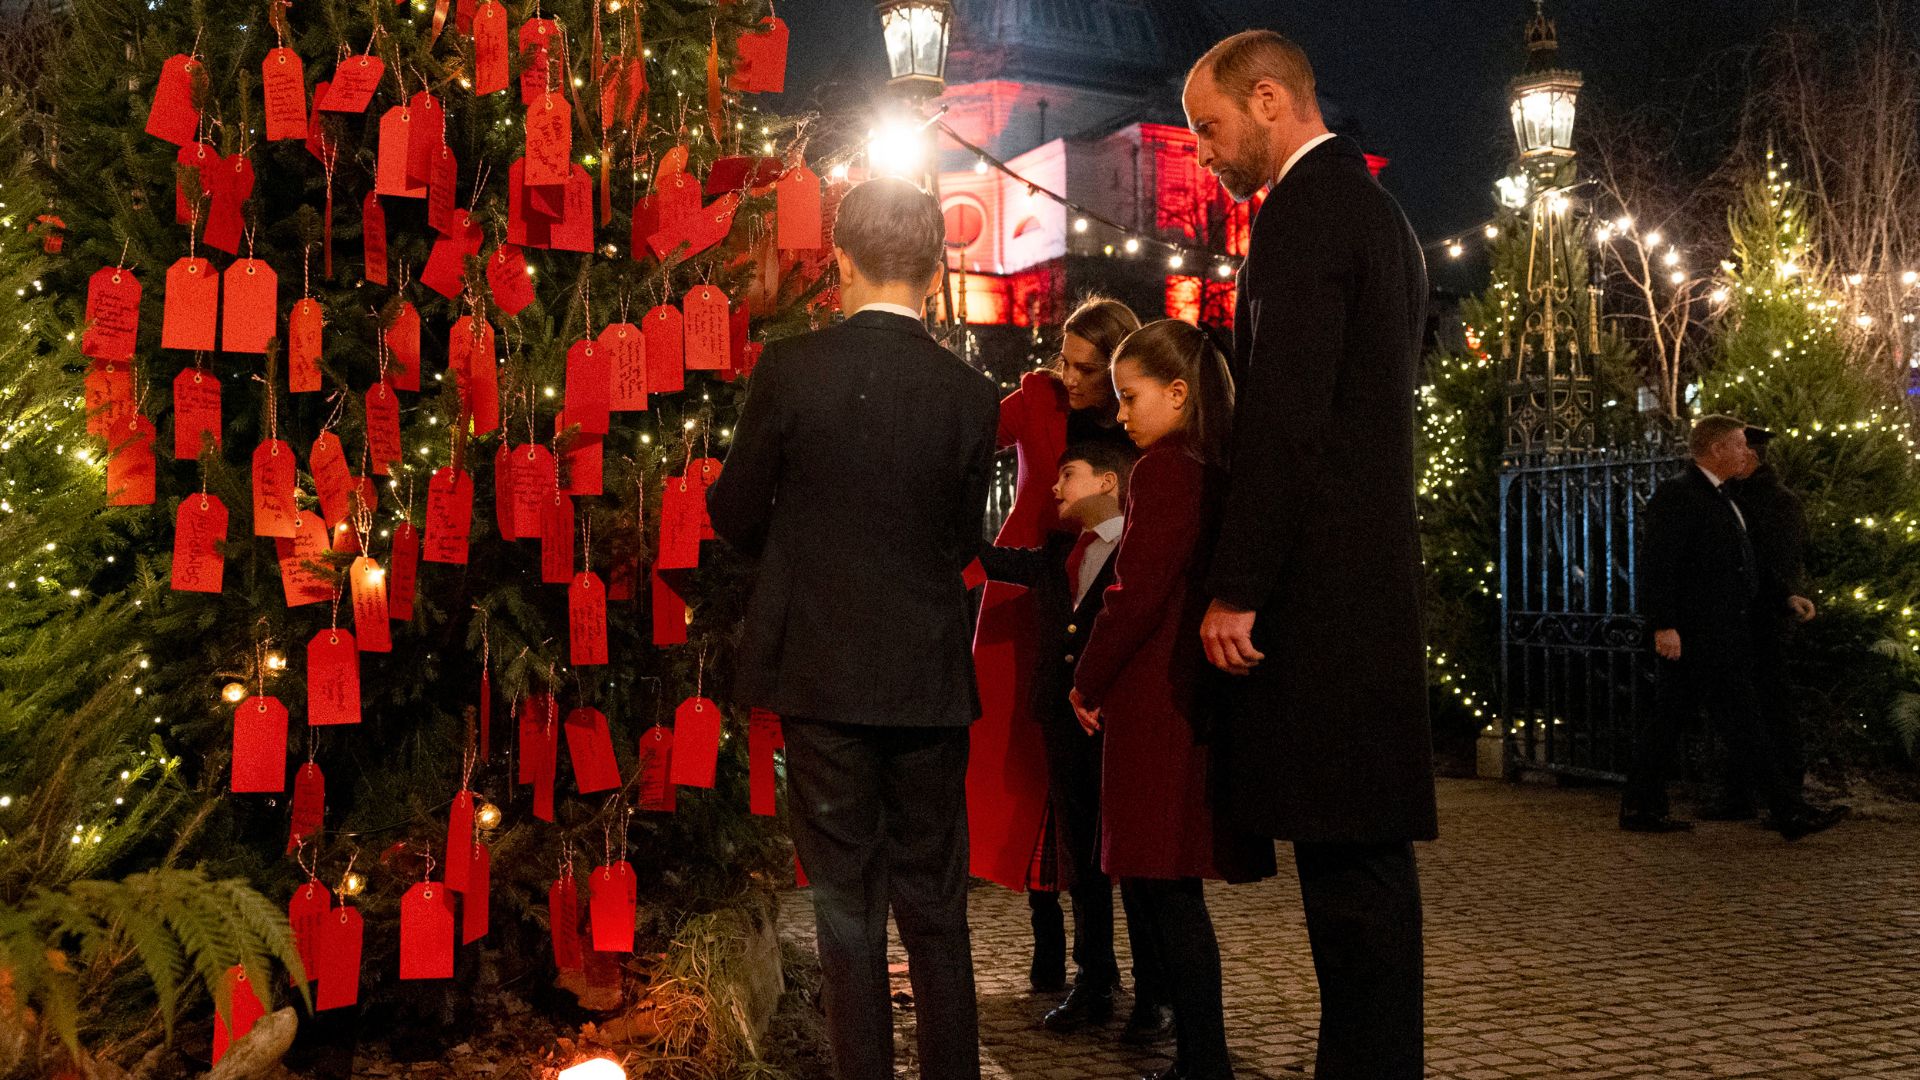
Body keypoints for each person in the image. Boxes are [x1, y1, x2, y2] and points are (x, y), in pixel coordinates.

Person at [1183, 30, 1437, 1080]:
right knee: (1360, 874)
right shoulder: (1377, 214)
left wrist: (1238, 589)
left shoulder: (1302, 214)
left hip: (1326, 600)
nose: (1204, 153)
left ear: (1271, 98)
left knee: (1352, 880)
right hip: (1366, 580)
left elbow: (1287, 419)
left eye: (1210, 126)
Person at [705, 176, 999, 1080]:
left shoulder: (792, 370)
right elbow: (960, 542)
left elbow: (735, 513)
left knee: (844, 903)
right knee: (936, 902)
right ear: (936, 263)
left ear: (838, 260)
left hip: (823, 669)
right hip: (925, 673)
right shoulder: (971, 392)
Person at [1069, 319, 1276, 1080]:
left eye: (1130, 397)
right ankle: (1200, 1054)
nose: (1119, 414)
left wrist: (1086, 676)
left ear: (1179, 393)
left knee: (1165, 890)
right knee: (1168, 886)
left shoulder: (1163, 470)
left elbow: (1135, 591)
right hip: (1186, 698)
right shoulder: (1214, 466)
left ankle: (1202, 1060)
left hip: (1154, 698)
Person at [966, 296, 1140, 995]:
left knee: (1089, 781)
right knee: (1023, 764)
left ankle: (1104, 963)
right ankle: (1048, 944)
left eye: (1081, 367)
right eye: (1061, 357)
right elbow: (968, 434)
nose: (1062, 374)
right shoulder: (1037, 395)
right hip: (1022, 595)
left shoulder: (1137, 416)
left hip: (1103, 596)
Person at [976, 441, 1175, 1044]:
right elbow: (990, 559)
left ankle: (1155, 995)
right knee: (1082, 862)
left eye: (1069, 475)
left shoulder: (1142, 548)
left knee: (1136, 865)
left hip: (1120, 727)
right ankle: (1095, 981)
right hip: (1063, 727)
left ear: (1109, 481)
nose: (1057, 488)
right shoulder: (1060, 553)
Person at [1622, 414, 1846, 843]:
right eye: (1741, 444)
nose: (1749, 453)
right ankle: (1788, 813)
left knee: (1669, 720)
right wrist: (1664, 625)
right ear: (1717, 449)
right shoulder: (1680, 495)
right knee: (1744, 722)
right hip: (1701, 634)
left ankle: (1640, 806)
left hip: (1719, 633)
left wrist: (1783, 596)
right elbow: (1658, 566)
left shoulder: (1722, 496)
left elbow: (1746, 560)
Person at [1724, 427, 1821, 815]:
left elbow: (1777, 563)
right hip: (1738, 616)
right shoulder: (1730, 497)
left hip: (1765, 617)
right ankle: (1741, 793)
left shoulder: (1779, 502)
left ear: (1752, 458)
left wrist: (1781, 598)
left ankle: (1786, 791)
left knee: (1773, 703)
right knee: (1742, 705)